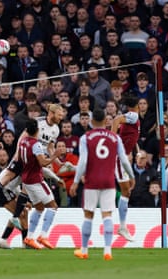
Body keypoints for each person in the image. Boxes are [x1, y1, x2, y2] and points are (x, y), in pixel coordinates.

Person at [70, 109, 135, 260]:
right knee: (107, 215)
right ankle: (107, 251)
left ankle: (84, 251)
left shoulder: (86, 138)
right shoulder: (115, 137)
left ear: (92, 121)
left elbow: (83, 161)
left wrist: (75, 181)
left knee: (88, 215)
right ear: (106, 120)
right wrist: (131, 176)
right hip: (108, 181)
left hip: (92, 181)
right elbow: (124, 160)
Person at [18, 118, 62, 250]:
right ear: (37, 130)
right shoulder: (35, 144)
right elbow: (43, 162)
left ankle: (29, 237)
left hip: (26, 179)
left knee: (39, 208)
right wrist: (55, 156)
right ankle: (43, 236)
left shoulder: (22, 142)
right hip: (36, 179)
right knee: (53, 206)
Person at [111, 95, 140, 241]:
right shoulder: (134, 115)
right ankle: (122, 227)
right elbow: (116, 120)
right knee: (125, 190)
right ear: (137, 106)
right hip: (118, 158)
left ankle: (122, 227)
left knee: (127, 191)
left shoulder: (132, 119)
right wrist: (112, 137)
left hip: (124, 158)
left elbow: (131, 138)